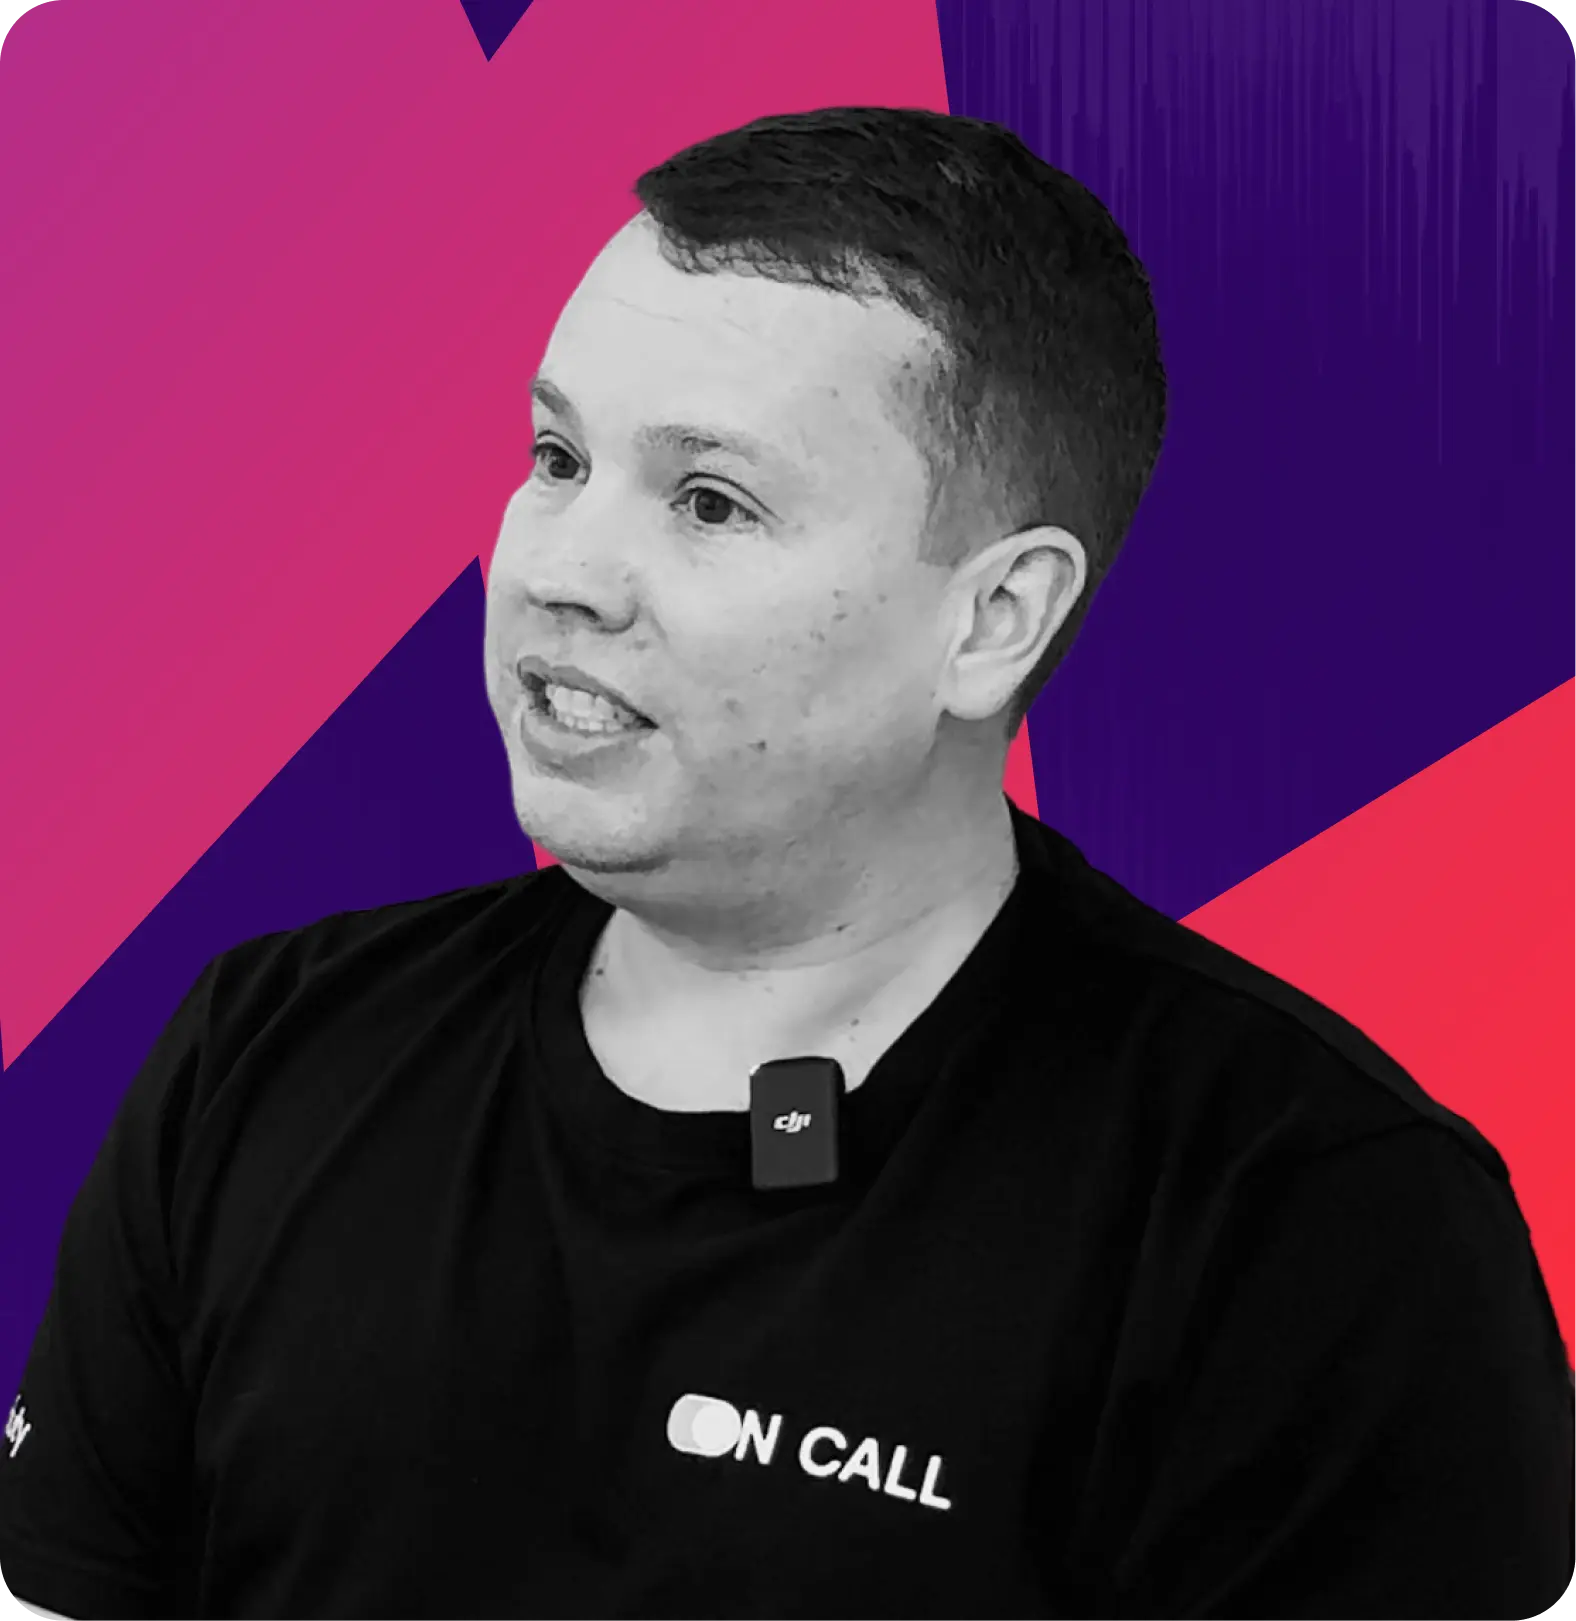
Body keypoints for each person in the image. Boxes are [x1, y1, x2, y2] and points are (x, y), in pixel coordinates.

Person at [0, 105, 1570, 1621]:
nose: (557, 570)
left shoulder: (1311, 1224)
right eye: (557, 456)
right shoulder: (267, 1050)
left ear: (993, 618)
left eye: (710, 500)